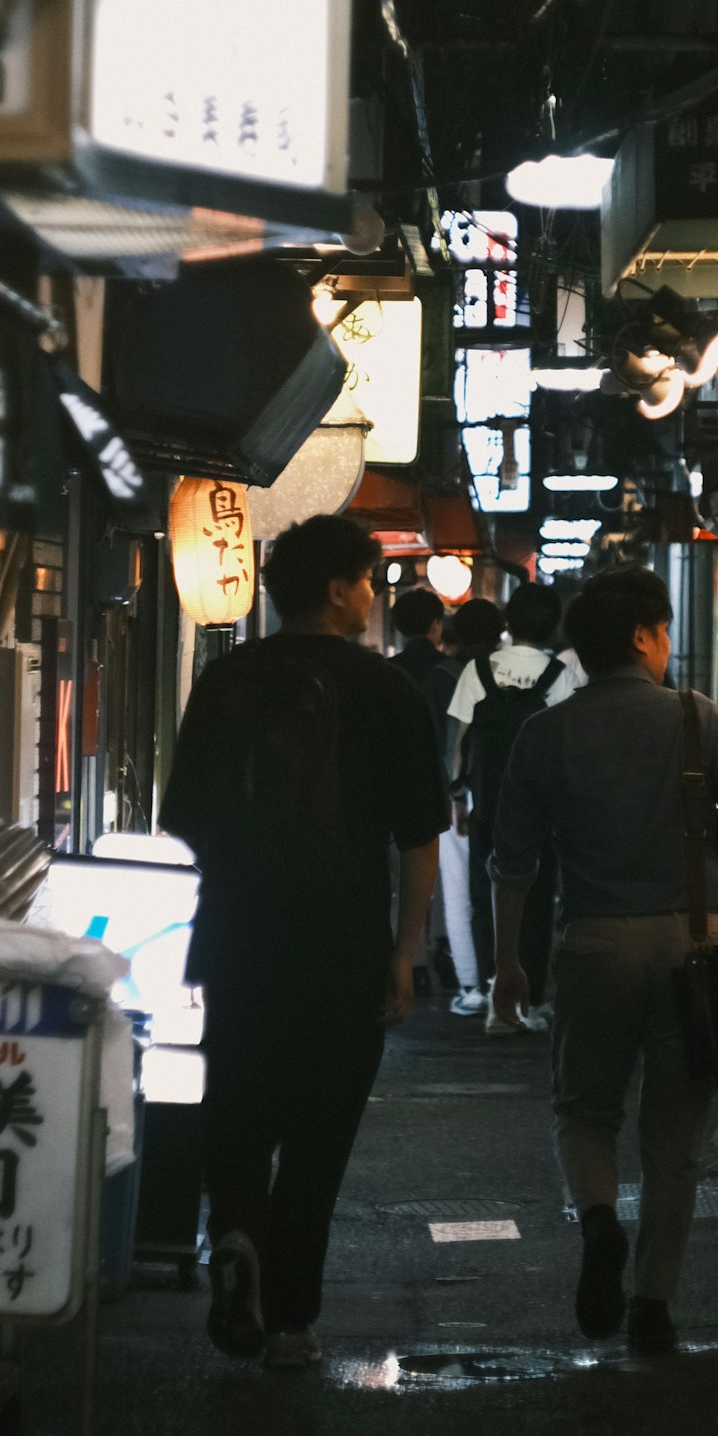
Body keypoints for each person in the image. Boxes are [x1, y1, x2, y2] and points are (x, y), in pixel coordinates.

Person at [160, 514, 446, 1370]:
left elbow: (186, 826)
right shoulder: (385, 690)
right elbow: (418, 836)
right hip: (342, 942)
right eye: (368, 581)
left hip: (237, 939)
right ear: (336, 589)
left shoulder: (226, 681)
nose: (373, 598)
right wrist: (406, 951)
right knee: (320, 1137)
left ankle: (237, 1231)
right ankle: (290, 1321)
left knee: (239, 1109)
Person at [489, 566, 718, 1354]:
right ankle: (652, 1308)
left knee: (584, 1112)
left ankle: (600, 1222)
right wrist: (697, 822)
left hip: (594, 941)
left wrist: (510, 963)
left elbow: (511, 861)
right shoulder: (695, 717)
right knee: (674, 1144)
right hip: (692, 944)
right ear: (646, 637)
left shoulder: (543, 733)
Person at [447, 579, 576, 1034]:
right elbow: (569, 750)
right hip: (541, 812)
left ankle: (489, 990)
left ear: (509, 622)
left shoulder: (477, 671)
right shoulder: (561, 676)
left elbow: (458, 743)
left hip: (487, 803)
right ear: (554, 624)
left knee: (484, 897)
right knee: (537, 903)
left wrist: (458, 796)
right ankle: (533, 1001)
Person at [389, 585, 474, 1008]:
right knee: (446, 877)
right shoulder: (452, 673)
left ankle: (414, 963)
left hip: (391, 786)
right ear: (437, 625)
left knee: (402, 877)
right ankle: (444, 953)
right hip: (443, 787)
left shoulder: (386, 674)